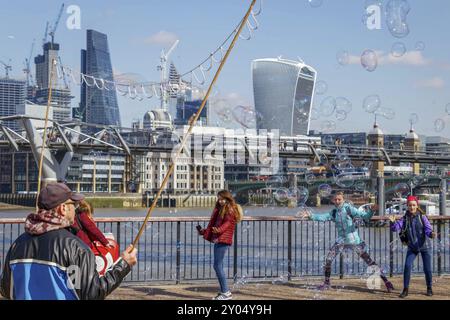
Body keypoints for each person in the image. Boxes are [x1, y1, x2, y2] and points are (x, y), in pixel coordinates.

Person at [0, 182, 137, 300]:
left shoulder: (17, 245)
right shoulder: (76, 247)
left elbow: (6, 290)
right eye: (74, 205)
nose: (75, 209)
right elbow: (91, 294)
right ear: (63, 208)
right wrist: (123, 265)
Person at [299, 191, 394, 292]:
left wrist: (371, 211)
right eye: (335, 199)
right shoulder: (334, 212)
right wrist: (310, 215)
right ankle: (326, 283)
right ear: (332, 200)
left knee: (369, 261)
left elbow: (364, 216)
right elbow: (323, 217)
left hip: (354, 241)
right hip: (341, 241)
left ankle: (387, 282)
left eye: (339, 199)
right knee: (328, 260)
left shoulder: (348, 208)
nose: (337, 201)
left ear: (343, 199)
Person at [197, 190, 243, 300]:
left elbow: (228, 223)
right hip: (219, 239)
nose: (220, 201)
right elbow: (216, 225)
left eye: (222, 199)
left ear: (227, 199)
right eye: (219, 198)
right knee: (219, 265)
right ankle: (224, 292)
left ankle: (226, 292)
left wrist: (219, 230)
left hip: (223, 240)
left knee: (217, 266)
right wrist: (204, 231)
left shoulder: (230, 209)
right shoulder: (221, 209)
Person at [389, 195, 436, 298]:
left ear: (417, 205)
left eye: (414, 205)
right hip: (412, 247)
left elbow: (428, 229)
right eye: (410, 205)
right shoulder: (405, 218)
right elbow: (396, 228)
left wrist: (431, 234)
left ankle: (429, 288)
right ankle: (405, 290)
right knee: (407, 266)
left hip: (425, 246)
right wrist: (392, 223)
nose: (412, 207)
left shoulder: (422, 217)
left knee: (427, 269)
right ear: (407, 206)